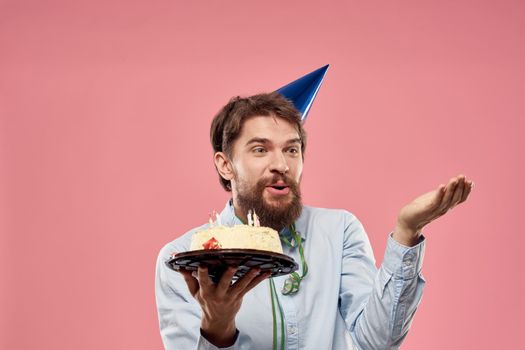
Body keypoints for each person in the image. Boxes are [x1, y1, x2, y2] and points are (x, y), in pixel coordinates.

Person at [155, 91, 473, 350]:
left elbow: (377, 341)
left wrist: (407, 232)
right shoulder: (183, 259)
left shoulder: (339, 230)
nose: (281, 164)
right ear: (226, 166)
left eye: (292, 150)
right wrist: (217, 328)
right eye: (260, 150)